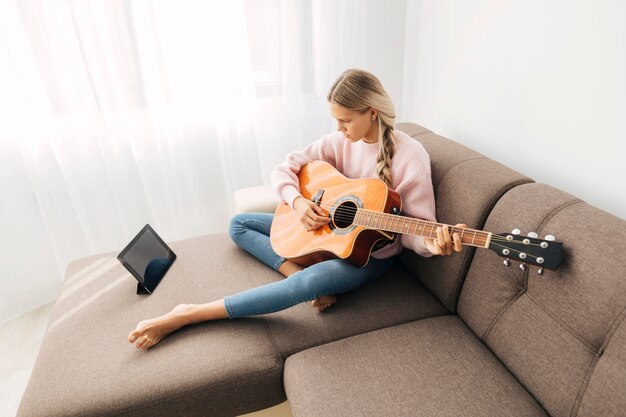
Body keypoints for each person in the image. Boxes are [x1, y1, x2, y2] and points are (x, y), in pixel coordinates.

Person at [128, 69, 466, 349]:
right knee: (239, 224)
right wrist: (299, 201)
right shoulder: (338, 142)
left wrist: (431, 244)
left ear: (372, 113)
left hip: (367, 258)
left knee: (308, 285)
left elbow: (417, 230)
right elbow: (284, 169)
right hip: (327, 236)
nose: (338, 129)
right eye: (335, 120)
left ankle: (189, 313)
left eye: (345, 120)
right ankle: (293, 269)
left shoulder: (411, 157)